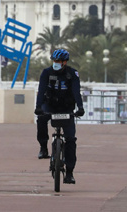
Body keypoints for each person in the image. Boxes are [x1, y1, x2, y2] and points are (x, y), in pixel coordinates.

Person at [35, 49, 85, 185]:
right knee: (41, 119)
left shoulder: (72, 73)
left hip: (67, 107)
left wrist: (80, 108)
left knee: (70, 139)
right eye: (54, 61)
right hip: (50, 105)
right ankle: (43, 147)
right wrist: (38, 106)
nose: (56, 63)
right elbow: (41, 90)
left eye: (58, 61)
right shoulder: (46, 73)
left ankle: (69, 172)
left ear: (65, 62)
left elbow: (76, 91)